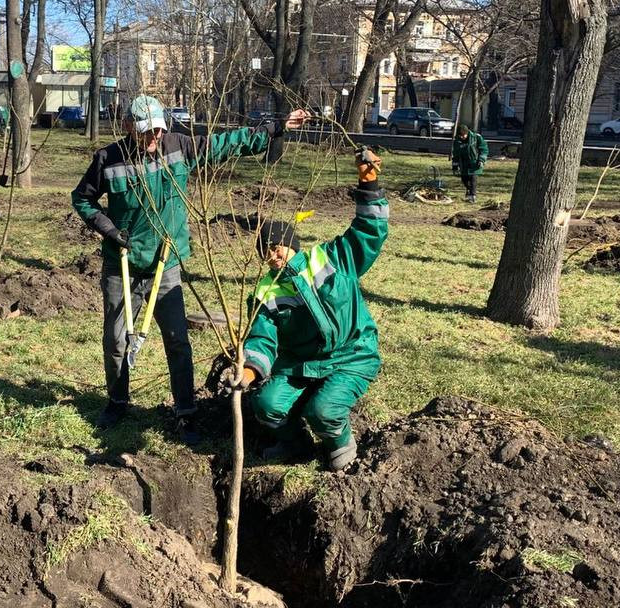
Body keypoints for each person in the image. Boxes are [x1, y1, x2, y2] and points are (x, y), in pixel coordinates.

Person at [71, 94, 288, 444]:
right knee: (115, 341)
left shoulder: (178, 147)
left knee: (177, 341)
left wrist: (270, 130)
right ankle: (117, 401)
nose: (154, 138)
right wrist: (109, 230)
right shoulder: (108, 159)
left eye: (158, 130)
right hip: (122, 265)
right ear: (129, 128)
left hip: (164, 264)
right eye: (146, 132)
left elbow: (223, 144)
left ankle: (186, 411)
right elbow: (82, 199)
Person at [225, 148, 387, 470]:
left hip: (352, 354)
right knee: (266, 405)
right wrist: (249, 370)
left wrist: (369, 185)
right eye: (265, 251)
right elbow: (262, 339)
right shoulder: (266, 291)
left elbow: (368, 233)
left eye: (277, 246)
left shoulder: (331, 258)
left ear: (291, 243)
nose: (273, 255)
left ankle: (340, 444)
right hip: (299, 365)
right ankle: (295, 443)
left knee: (323, 411)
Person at [450, 125, 488, 202]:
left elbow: (484, 149)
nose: (462, 137)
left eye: (464, 135)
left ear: (467, 132)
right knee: (464, 179)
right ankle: (468, 190)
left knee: (473, 179)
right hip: (463, 164)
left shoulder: (476, 137)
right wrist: (455, 166)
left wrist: (481, 160)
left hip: (475, 163)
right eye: (460, 135)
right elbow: (456, 154)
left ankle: (472, 196)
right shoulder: (457, 141)